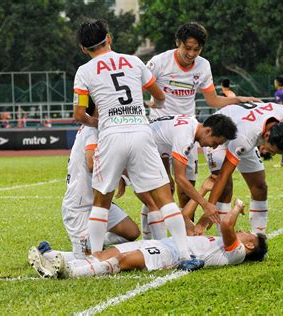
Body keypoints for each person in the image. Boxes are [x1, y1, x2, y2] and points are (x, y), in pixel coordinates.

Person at [72, 19, 202, 270]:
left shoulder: (84, 71)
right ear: (109, 38)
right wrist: (151, 106)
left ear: (83, 48)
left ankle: (96, 261)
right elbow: (159, 96)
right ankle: (185, 256)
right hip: (142, 132)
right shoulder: (133, 61)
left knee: (102, 201)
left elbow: (79, 115)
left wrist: (97, 121)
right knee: (164, 197)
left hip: (111, 134)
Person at [146, 22, 259, 210]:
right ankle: (153, 235)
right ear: (177, 43)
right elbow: (138, 85)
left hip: (187, 131)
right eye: (187, 48)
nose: (191, 54)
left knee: (185, 189)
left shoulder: (203, 66)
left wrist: (238, 99)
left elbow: (212, 100)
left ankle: (187, 235)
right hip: (161, 130)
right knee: (163, 188)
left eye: (196, 49)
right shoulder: (159, 62)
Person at [28, 197, 268, 278]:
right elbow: (183, 218)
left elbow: (226, 224)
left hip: (171, 254)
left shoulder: (236, 254)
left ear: (249, 244)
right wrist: (202, 192)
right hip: (162, 243)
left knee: (123, 260)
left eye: (248, 233)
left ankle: (68, 272)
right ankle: (54, 260)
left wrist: (237, 207)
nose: (243, 230)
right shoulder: (214, 243)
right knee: (106, 254)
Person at [35, 101, 140, 263]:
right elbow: (92, 164)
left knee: (131, 233)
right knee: (87, 261)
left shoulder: (99, 128)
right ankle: (48, 254)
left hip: (98, 200)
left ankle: (94, 241)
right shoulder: (92, 130)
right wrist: (118, 174)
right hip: (79, 205)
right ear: (98, 107)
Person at [199, 102, 283, 235]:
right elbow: (223, 175)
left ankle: (258, 237)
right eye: (272, 150)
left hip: (245, 131)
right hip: (219, 132)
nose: (272, 154)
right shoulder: (244, 138)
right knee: (225, 187)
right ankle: (225, 240)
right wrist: (208, 210)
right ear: (267, 136)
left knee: (260, 186)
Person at [138, 113, 237, 236]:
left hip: (140, 145)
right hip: (137, 150)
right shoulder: (186, 138)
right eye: (216, 142)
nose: (214, 146)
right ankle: (158, 247)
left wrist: (167, 174)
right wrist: (205, 204)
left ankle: (149, 242)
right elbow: (180, 178)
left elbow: (161, 145)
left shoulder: (191, 123)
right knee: (158, 202)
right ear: (207, 131)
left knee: (156, 199)